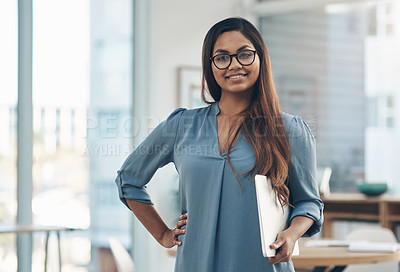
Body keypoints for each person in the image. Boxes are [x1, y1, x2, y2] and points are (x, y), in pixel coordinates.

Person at [115, 17, 323, 272]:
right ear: (210, 65)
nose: (234, 64)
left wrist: (291, 234)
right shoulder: (182, 126)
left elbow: (309, 203)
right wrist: (162, 234)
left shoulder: (289, 130)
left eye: (244, 54)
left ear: (261, 58)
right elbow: (129, 180)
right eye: (222, 57)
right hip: (195, 264)